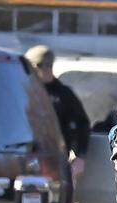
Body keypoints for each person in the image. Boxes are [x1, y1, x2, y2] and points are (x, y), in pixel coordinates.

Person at [25, 44, 90, 186]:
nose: (46, 69)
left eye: (49, 65)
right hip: (24, 158)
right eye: (42, 65)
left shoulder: (63, 94)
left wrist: (80, 156)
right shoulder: (22, 91)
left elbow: (82, 124)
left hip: (54, 161)